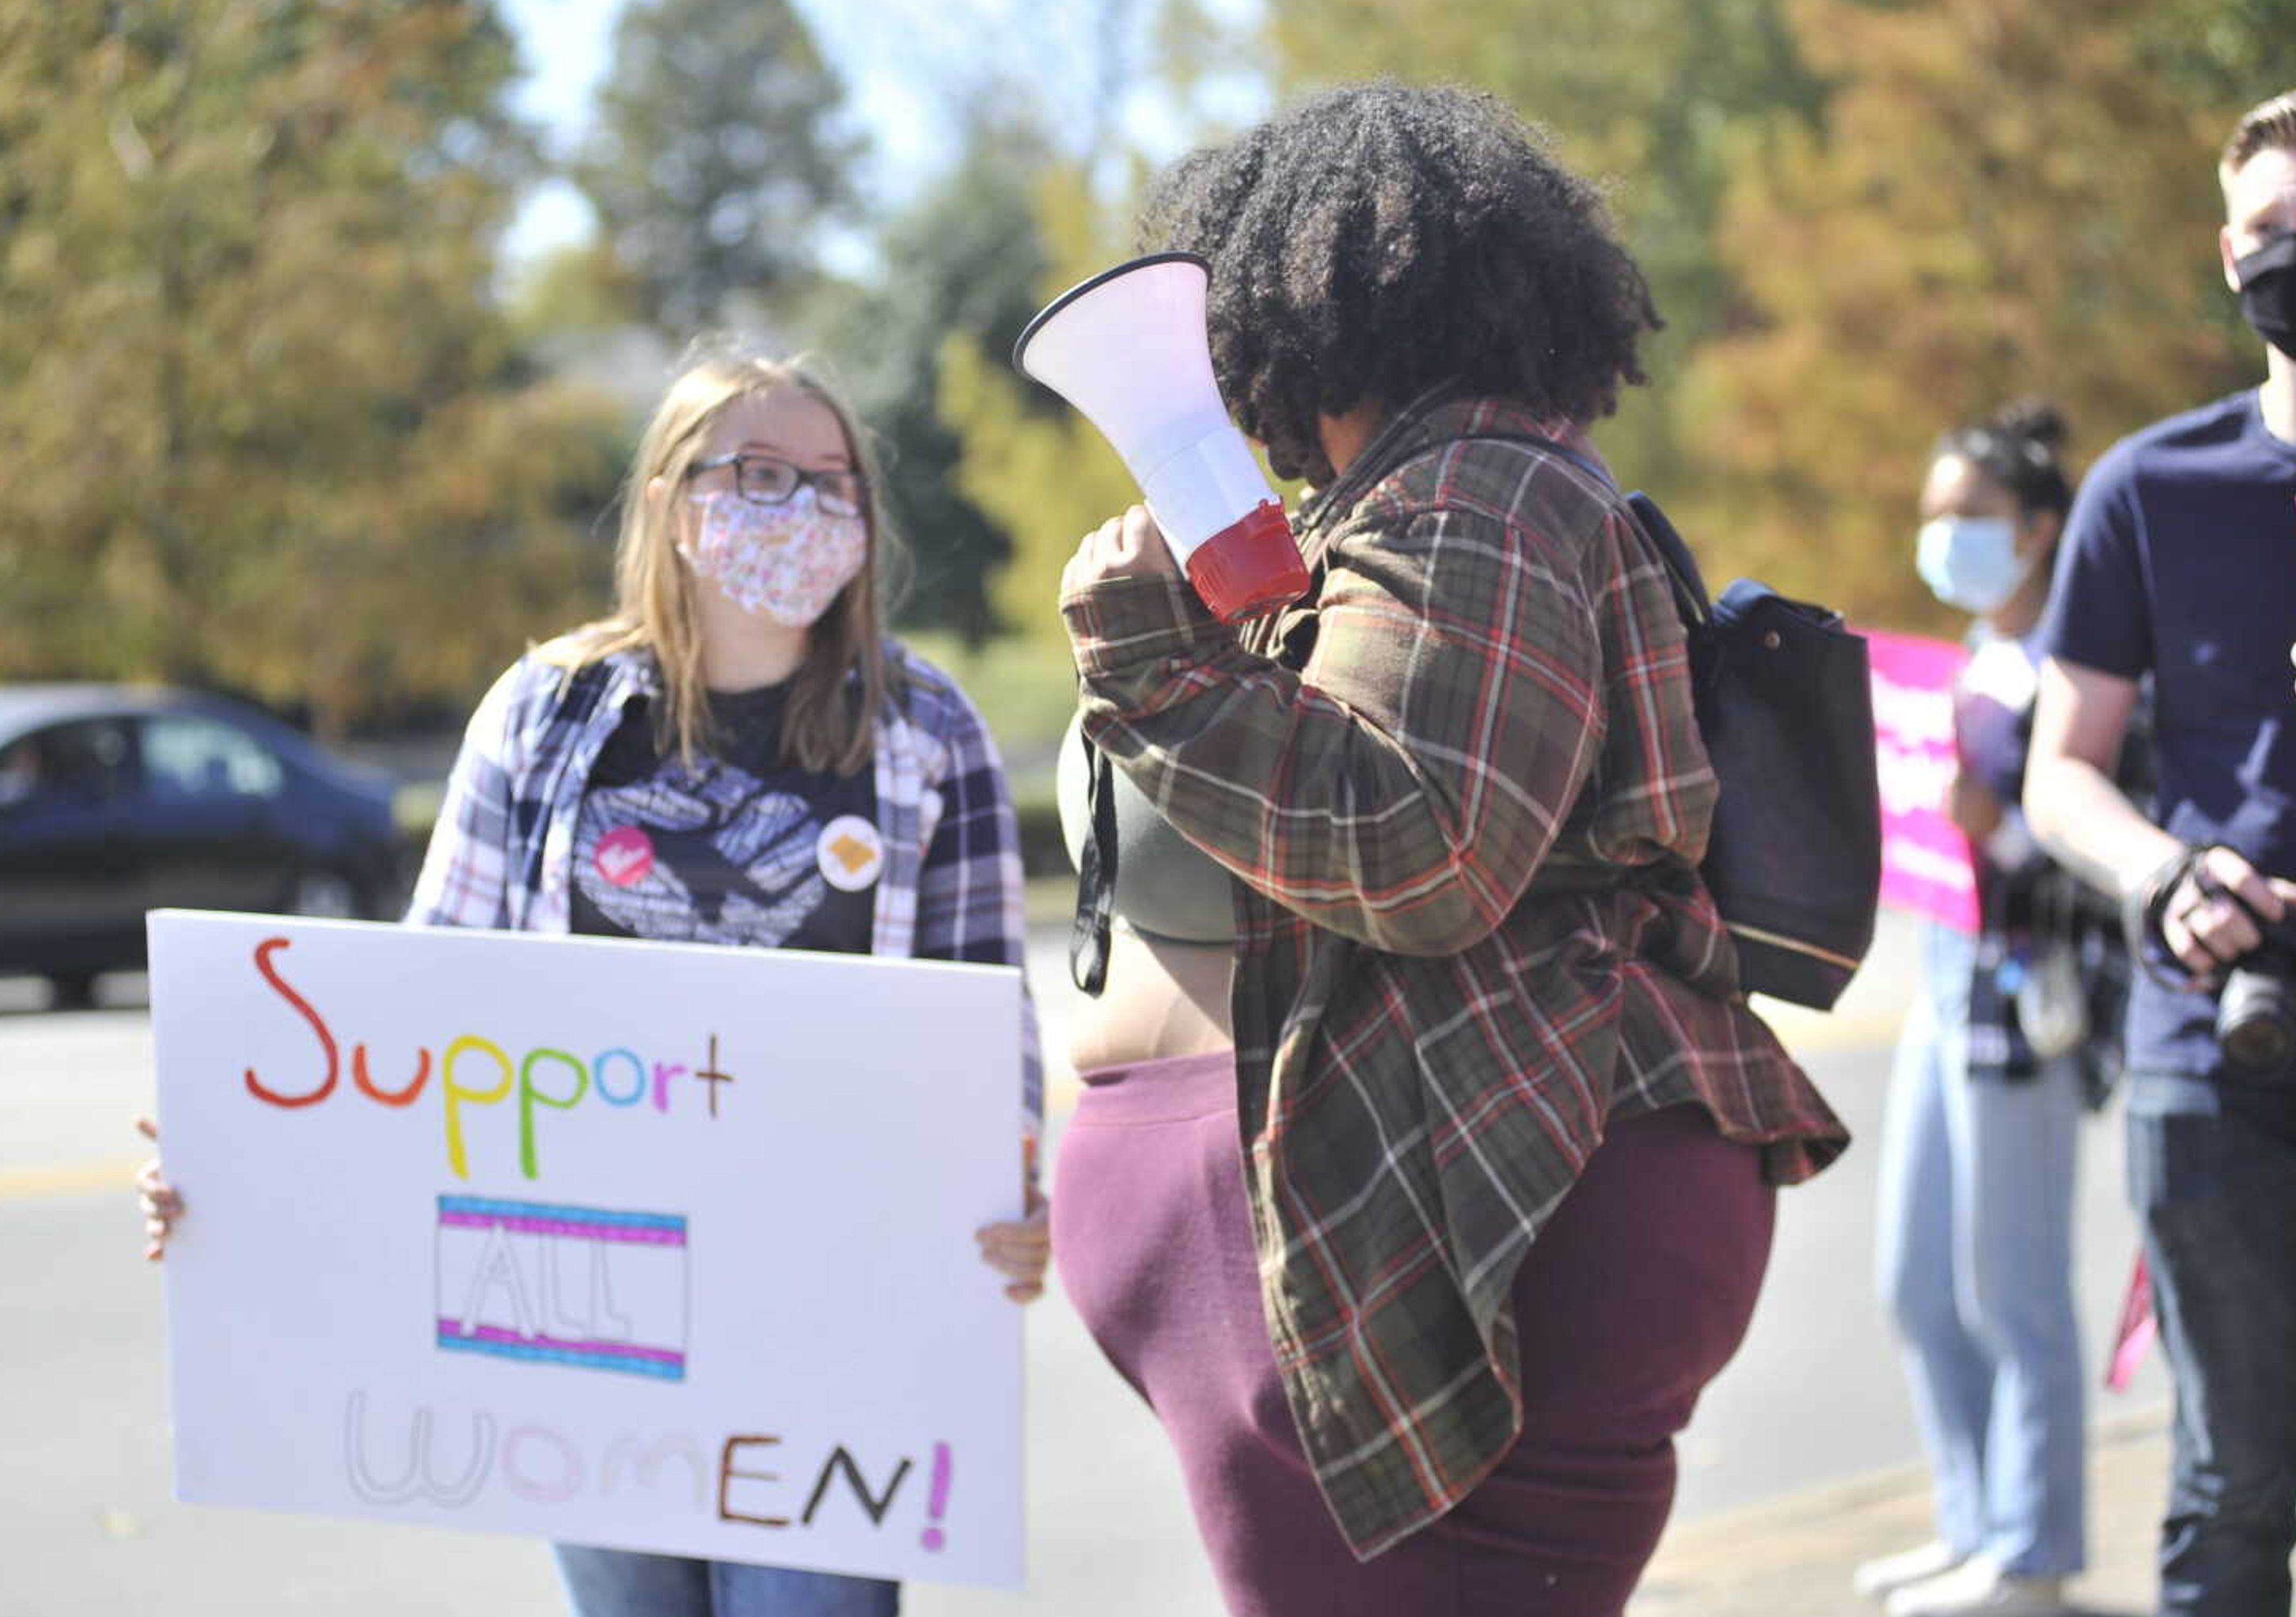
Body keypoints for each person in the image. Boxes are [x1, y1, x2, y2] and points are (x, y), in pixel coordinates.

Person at [1045, 81, 1850, 1617]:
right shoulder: (1413, 503)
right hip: (1449, 1214)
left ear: (1304, 306)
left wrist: (1146, 660)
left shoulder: (1470, 490)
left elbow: (1420, 854)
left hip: (1490, 1215)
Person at [137, 349, 1049, 1617]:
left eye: (836, 482)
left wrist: (1010, 1187)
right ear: (678, 502)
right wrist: (238, 1166)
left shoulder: (924, 728)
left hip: (827, 1304)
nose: (808, 509)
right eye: (764, 475)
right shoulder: (547, 713)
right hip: (583, 1307)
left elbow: (982, 1012)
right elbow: (414, 1007)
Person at [2023, 84, 2296, 1617]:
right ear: (2226, 255)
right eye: (2277, 228)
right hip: (2220, 1043)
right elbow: (2061, 774)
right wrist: (2170, 875)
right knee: (2229, 1497)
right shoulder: (2146, 488)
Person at [1857, 403, 2115, 1616]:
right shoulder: (1967, 654)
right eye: (1936, 518)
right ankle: (1976, 1525)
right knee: (1917, 1279)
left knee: (2011, 1288)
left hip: (2028, 1002)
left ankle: (2034, 1550)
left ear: (2042, 527)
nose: (1949, 537)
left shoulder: (2084, 659)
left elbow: (2101, 839)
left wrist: (1997, 827)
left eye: (1975, 517)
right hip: (1945, 986)